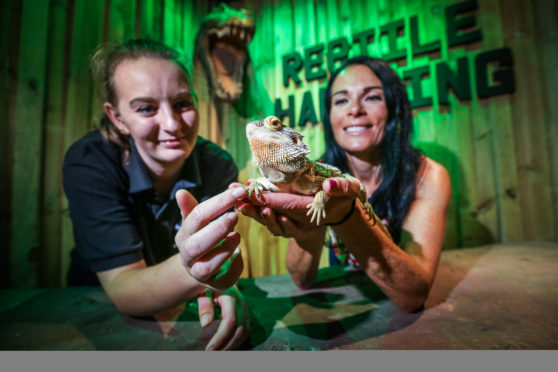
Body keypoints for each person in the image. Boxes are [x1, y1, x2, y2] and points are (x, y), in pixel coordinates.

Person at [63, 39, 250, 350]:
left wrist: (221, 285)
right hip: (95, 308)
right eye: (146, 108)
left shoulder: (217, 164)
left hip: (182, 302)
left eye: (182, 104)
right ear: (117, 117)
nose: (172, 124)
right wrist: (207, 277)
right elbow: (123, 287)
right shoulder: (90, 160)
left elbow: (212, 258)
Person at [238, 56, 451, 313]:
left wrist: (347, 214)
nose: (354, 110)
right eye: (341, 100)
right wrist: (308, 224)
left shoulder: (427, 175)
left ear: (394, 107)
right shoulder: (310, 173)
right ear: (330, 117)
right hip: (341, 307)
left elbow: (413, 295)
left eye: (372, 97)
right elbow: (301, 279)